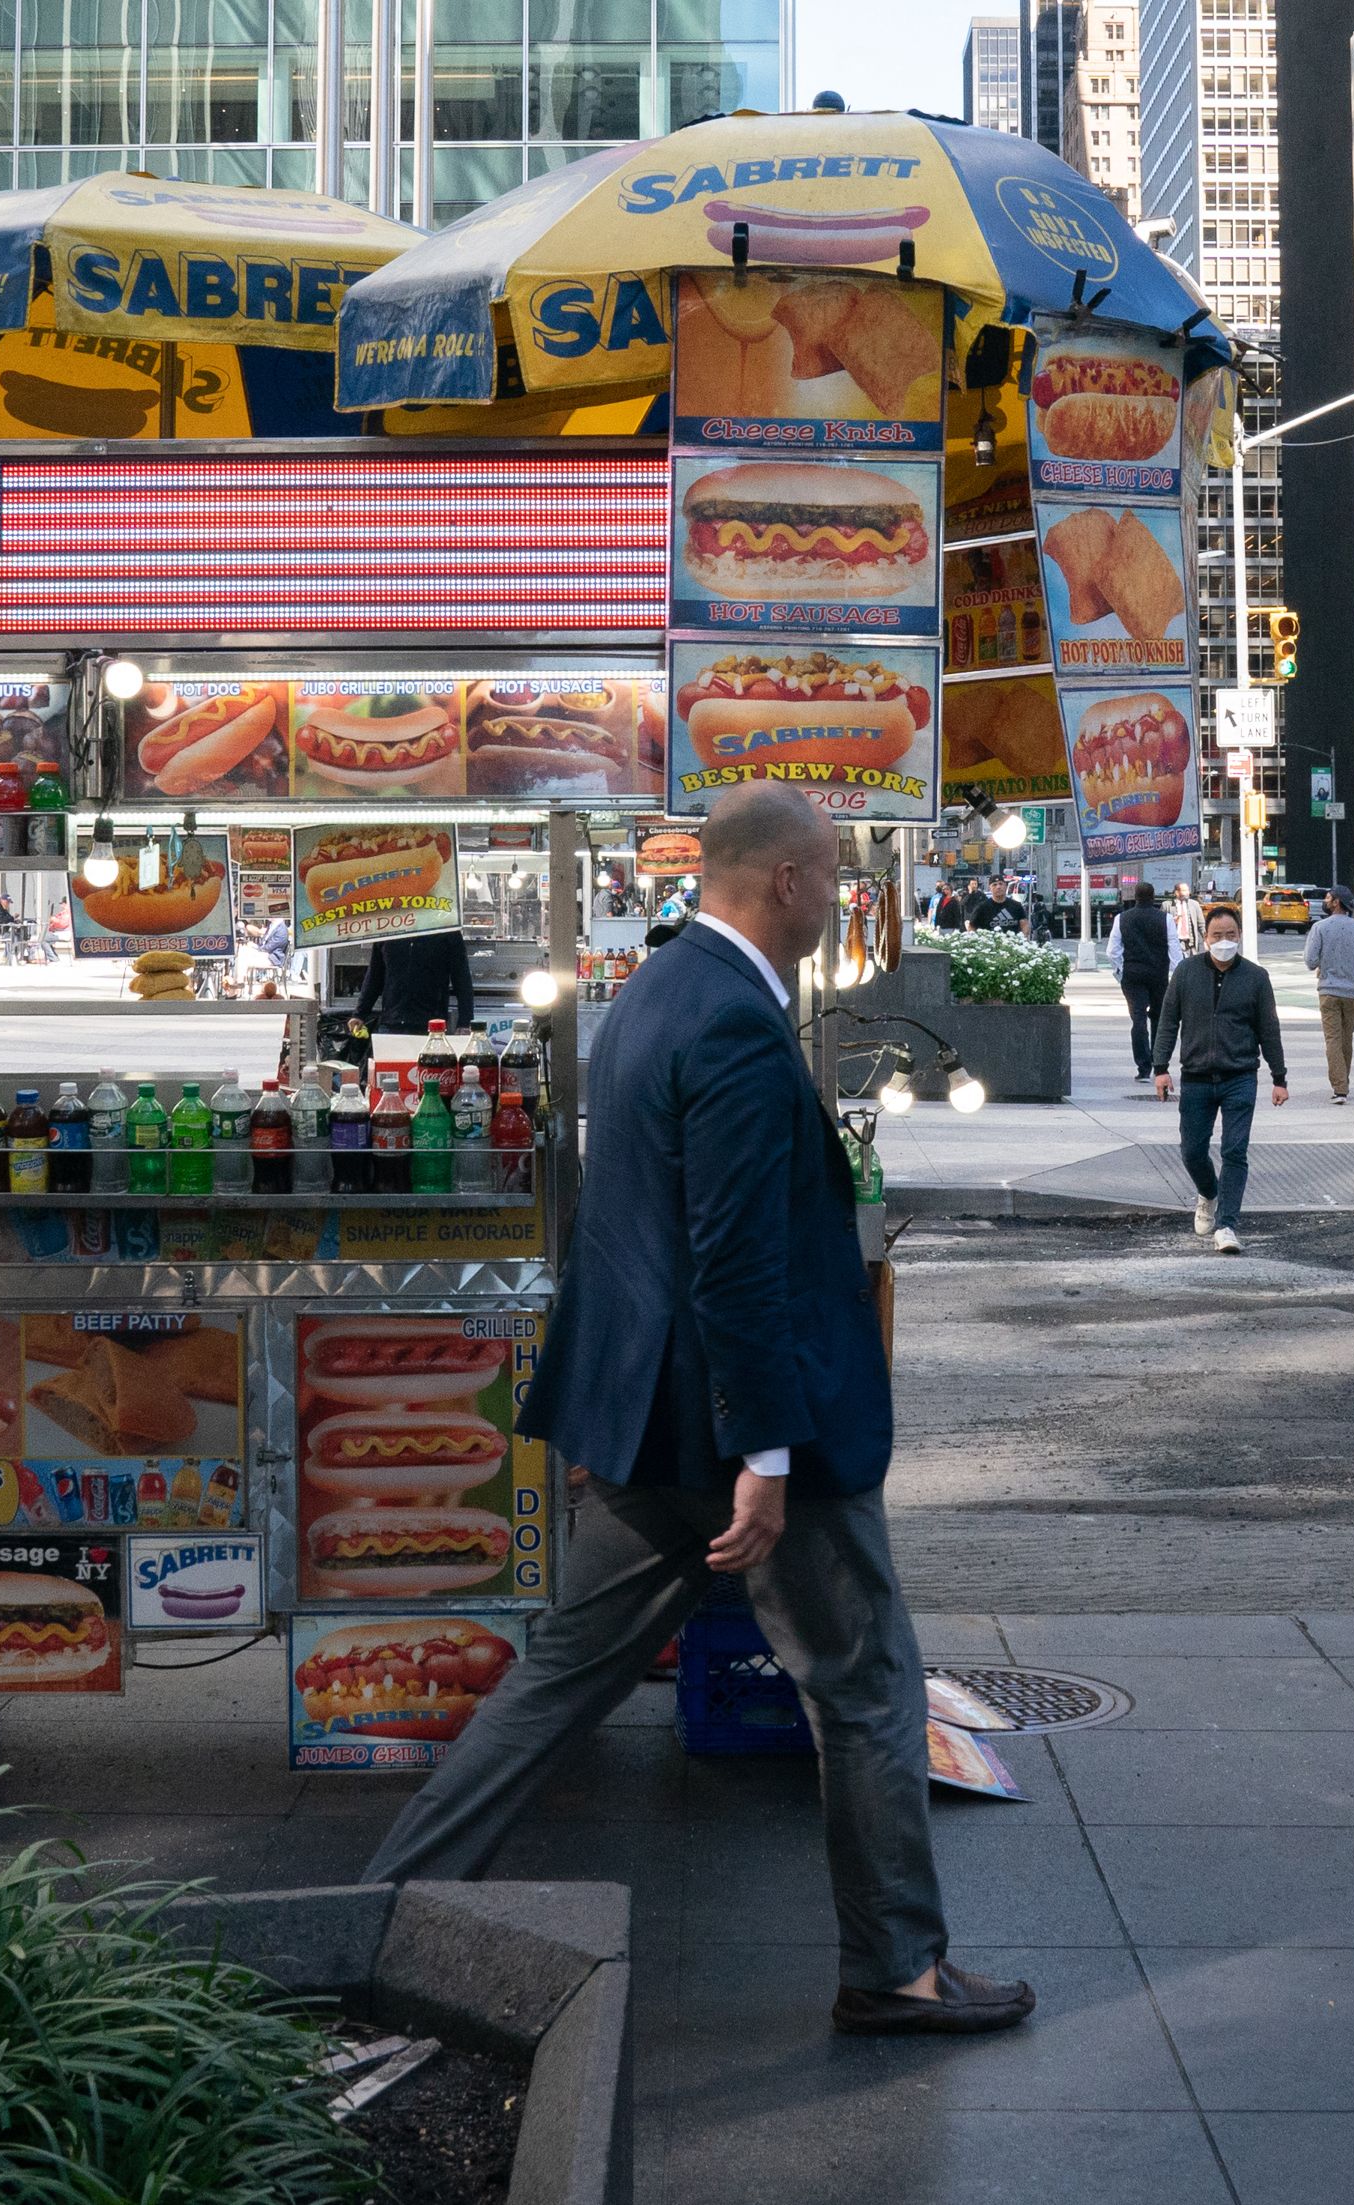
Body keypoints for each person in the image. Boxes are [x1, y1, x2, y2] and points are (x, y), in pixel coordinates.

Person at [363, 784, 1032, 2036]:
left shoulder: (652, 995)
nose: (840, 897)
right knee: (867, 1681)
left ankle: (380, 1907)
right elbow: (733, 1256)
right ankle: (896, 1970)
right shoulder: (728, 1016)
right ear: (783, 881)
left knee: (559, 1678)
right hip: (741, 1436)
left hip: (640, 1426)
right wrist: (766, 1456)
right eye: (831, 875)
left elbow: (624, 1225)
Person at [1151, 902, 1291, 1253]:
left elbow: (1269, 1029)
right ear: (1205, 937)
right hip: (1196, 1076)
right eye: (1217, 935)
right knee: (1192, 1150)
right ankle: (1208, 1192)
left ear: (1240, 936)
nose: (1224, 941)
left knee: (1235, 1150)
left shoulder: (1256, 978)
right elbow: (1168, 1022)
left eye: (1230, 935)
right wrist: (1161, 1068)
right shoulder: (1185, 973)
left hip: (1240, 1075)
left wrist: (1279, 1076)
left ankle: (1227, 1225)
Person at [1300, 889, 1354, 1103]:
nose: (1325, 901)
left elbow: (1309, 961)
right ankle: (1343, 1081)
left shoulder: (1320, 928)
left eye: (1328, 898)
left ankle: (1340, 1088)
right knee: (1347, 1038)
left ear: (1337, 903)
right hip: (1352, 993)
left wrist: (1322, 962)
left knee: (1333, 1039)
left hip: (1328, 991)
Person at [354, 927, 475, 1039]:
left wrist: (465, 1022)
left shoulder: (447, 929)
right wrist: (360, 1014)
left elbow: (461, 978)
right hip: (391, 1023)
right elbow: (375, 975)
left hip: (432, 1026)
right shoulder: (387, 929)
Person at [1115, 882, 1175, 1086]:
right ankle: (1160, 1064)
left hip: (1132, 975)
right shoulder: (1165, 919)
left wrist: (1120, 971)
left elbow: (1112, 951)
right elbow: (1174, 949)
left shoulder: (1122, 919)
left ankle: (1143, 1068)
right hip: (1158, 976)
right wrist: (1177, 974)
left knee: (1138, 1019)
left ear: (1135, 896)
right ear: (1153, 896)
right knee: (1159, 1019)